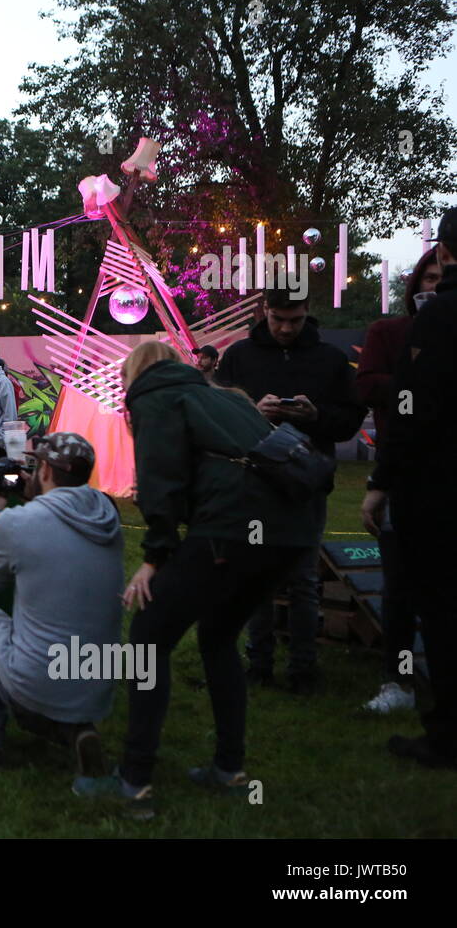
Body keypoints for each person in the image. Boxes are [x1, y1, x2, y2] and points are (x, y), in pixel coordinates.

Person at [74, 342, 319, 817]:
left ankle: (134, 779)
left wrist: (156, 555)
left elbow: (160, 477)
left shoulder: (154, 396)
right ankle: (229, 768)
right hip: (292, 531)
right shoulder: (225, 396)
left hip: (232, 528)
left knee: (147, 639)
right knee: (218, 636)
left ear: (134, 373)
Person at [0, 432, 122, 788]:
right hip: (98, 686)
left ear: (44, 471)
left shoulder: (20, 522)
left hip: (39, 682)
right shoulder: (109, 516)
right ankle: (75, 731)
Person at [214, 286, 365, 693]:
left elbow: (350, 420)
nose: (285, 328)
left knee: (302, 579)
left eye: (295, 320)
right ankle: (258, 665)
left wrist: (316, 415)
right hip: (256, 484)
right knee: (255, 578)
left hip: (306, 484)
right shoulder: (239, 356)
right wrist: (250, 412)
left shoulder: (330, 360)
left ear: (306, 312)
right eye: (278, 319)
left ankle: (303, 670)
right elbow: (219, 418)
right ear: (265, 310)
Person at [364, 209, 457, 769]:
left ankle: (446, 735)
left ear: (443, 253)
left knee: (442, 610)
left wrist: (381, 481)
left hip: (438, 490)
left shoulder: (438, 318)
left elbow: (410, 408)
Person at [355, 246, 440, 714]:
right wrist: (419, 383)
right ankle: (400, 680)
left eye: (443, 276)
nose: (435, 285)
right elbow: (367, 385)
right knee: (400, 586)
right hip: (403, 472)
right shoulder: (390, 331)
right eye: (428, 278)